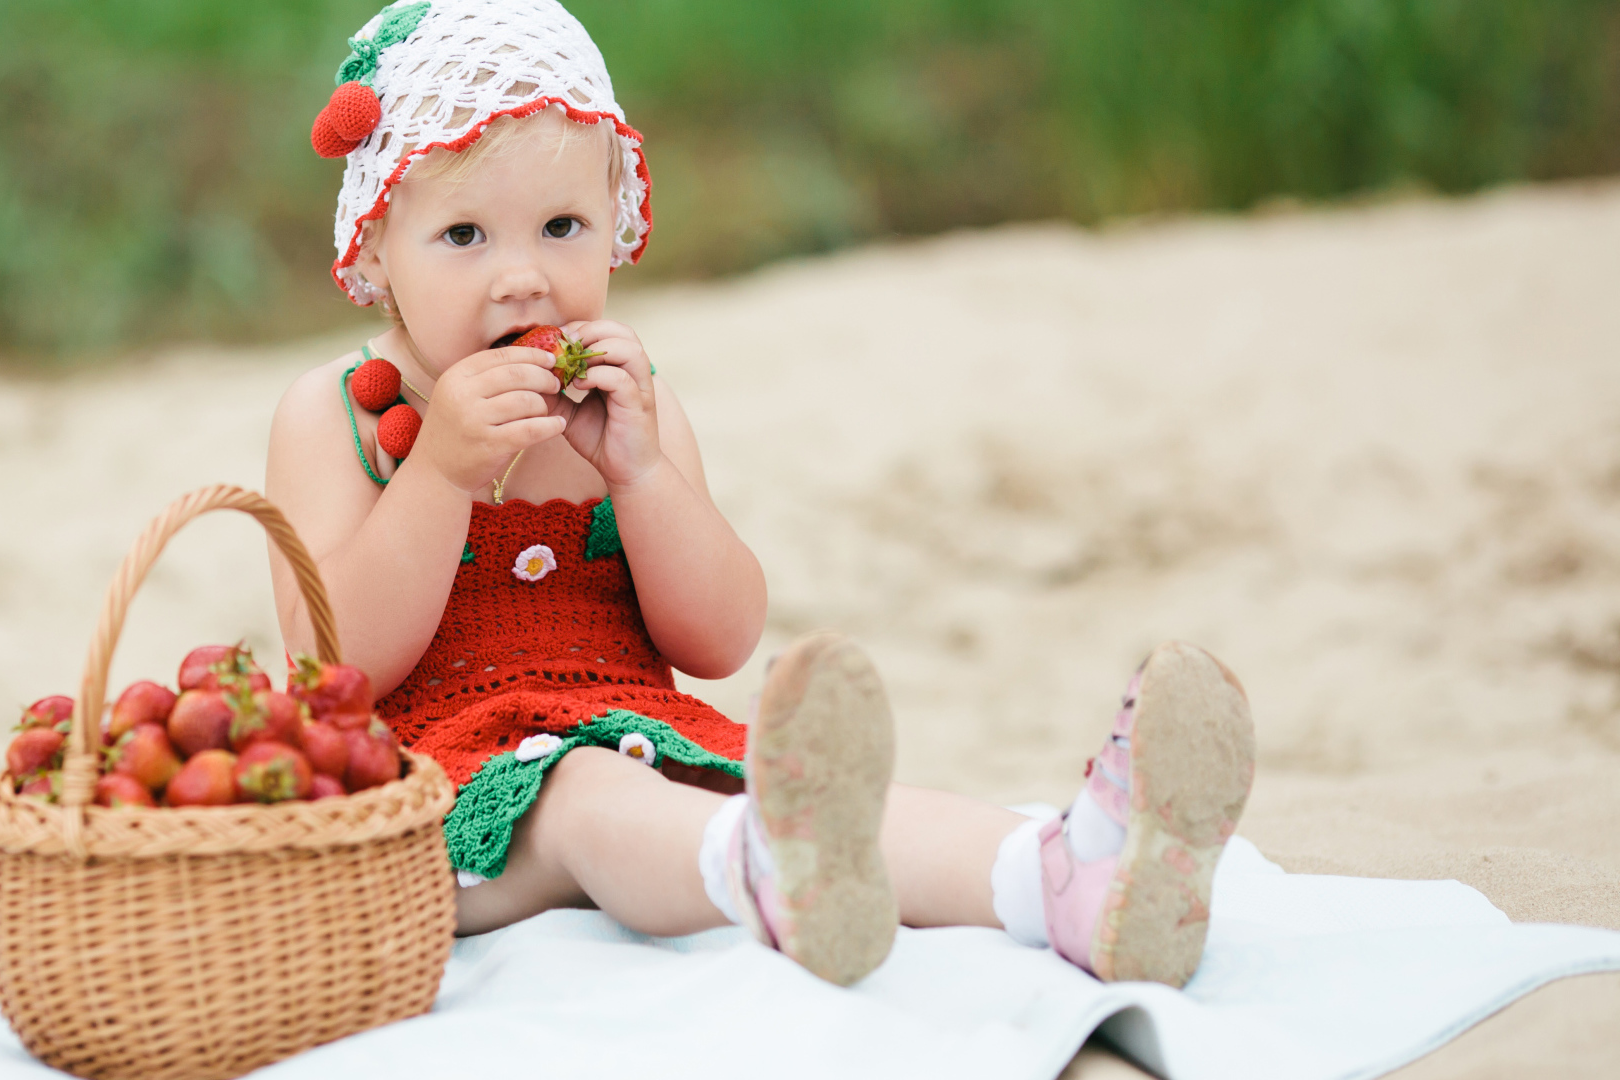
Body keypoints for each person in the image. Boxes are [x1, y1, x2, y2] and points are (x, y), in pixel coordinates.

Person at [265, 0, 1255, 988]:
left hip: (640, 737)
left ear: (615, 227)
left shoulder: (627, 410)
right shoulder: (338, 418)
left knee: (818, 796)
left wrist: (643, 474)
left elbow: (717, 637)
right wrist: (440, 473)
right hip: (434, 803)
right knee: (577, 790)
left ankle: (1061, 876)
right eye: (464, 235)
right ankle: (765, 869)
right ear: (378, 245)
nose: (523, 279)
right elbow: (331, 665)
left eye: (562, 226)